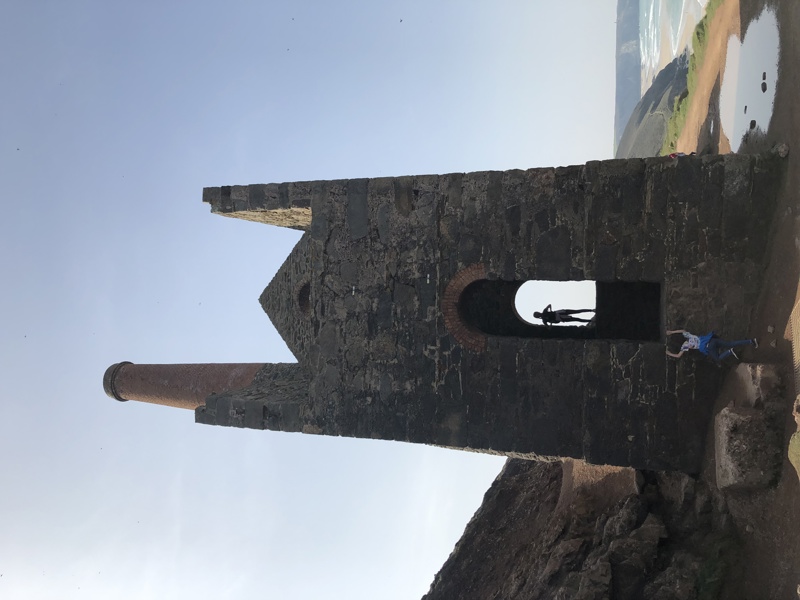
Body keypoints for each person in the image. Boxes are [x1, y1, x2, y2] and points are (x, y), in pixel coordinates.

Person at [665, 329, 757, 362]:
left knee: (717, 358)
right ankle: (751, 341)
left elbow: (678, 355)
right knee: (730, 343)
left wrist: (669, 353)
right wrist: (672, 332)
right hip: (711, 340)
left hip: (708, 347)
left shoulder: (685, 345)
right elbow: (682, 330)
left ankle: (730, 352)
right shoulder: (688, 336)